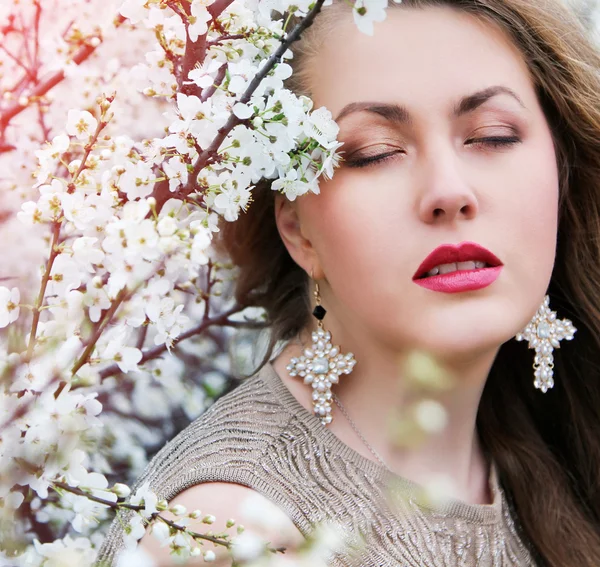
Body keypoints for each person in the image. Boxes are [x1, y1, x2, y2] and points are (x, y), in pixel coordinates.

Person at [95, 0, 600, 565]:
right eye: (374, 153)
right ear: (297, 228)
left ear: (562, 164)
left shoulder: (544, 448)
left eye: (492, 135)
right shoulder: (236, 529)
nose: (449, 191)